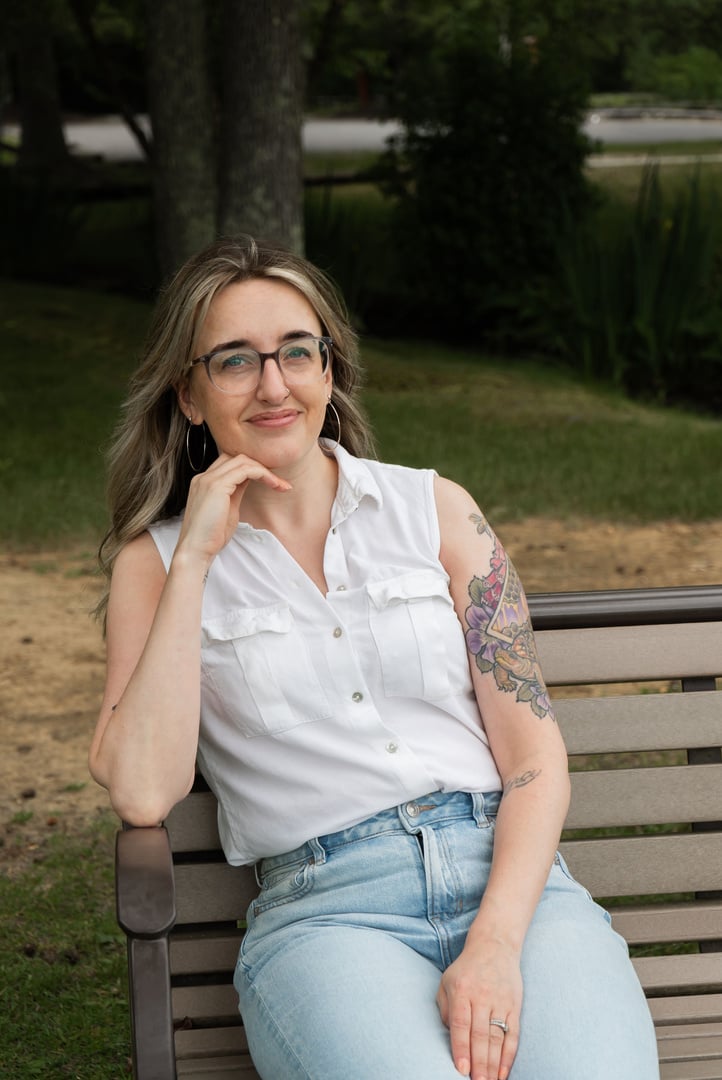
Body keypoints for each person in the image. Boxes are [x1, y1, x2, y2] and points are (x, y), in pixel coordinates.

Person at [90, 235, 659, 1080]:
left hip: (515, 893)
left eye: (295, 352)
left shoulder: (436, 511)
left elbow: (534, 757)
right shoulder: (158, 564)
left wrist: (497, 944)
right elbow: (140, 789)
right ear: (189, 392)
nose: (274, 384)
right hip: (327, 918)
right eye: (236, 361)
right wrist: (197, 563)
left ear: (329, 369)